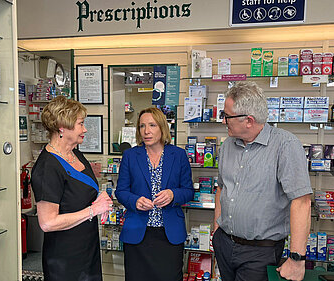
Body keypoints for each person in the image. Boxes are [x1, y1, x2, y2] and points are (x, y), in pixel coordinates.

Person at [212, 82, 312, 281]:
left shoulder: (285, 145)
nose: (223, 121)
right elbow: (222, 189)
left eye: (227, 116)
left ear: (248, 120)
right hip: (224, 243)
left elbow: (302, 202)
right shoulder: (227, 146)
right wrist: (216, 232)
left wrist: (297, 259)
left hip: (259, 252)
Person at [31, 96, 113, 281]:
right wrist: (93, 210)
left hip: (87, 251)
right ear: (62, 126)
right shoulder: (47, 168)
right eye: (80, 124)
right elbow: (47, 222)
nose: (84, 129)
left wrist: (100, 198)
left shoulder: (74, 154)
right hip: (65, 260)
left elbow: (81, 189)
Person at [115, 107, 194, 281]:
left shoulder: (178, 155)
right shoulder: (130, 155)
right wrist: (135, 201)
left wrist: (173, 194)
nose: (146, 131)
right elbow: (121, 191)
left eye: (152, 125)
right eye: (142, 126)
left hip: (169, 235)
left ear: (162, 127)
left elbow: (188, 191)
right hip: (138, 234)